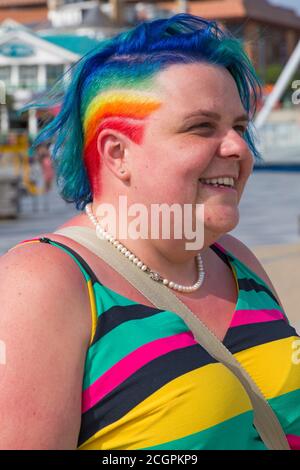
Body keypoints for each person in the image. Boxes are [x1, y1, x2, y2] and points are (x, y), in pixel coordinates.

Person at [0, 14, 299, 450]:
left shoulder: (234, 259)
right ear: (117, 153)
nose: (238, 147)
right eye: (202, 127)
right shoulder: (46, 282)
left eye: (238, 126)